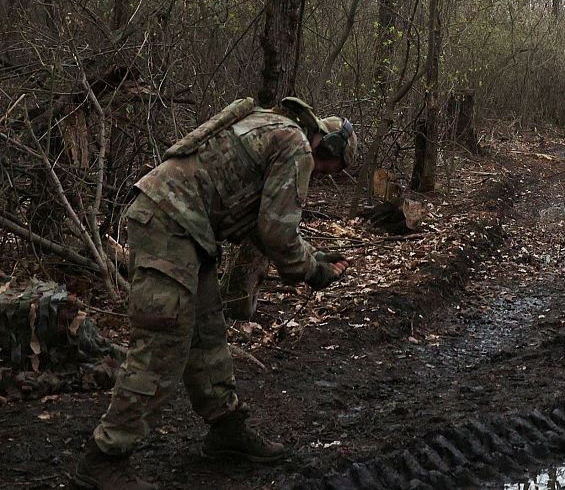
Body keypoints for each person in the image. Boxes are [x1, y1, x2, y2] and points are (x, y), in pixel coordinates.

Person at [73, 97, 356, 490]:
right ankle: (104, 460)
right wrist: (312, 271)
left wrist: (314, 257)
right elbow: (277, 232)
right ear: (329, 148)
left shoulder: (276, 128)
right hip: (170, 222)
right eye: (331, 168)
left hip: (184, 224)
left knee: (206, 332)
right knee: (163, 342)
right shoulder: (296, 146)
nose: (324, 174)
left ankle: (226, 429)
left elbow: (262, 220)